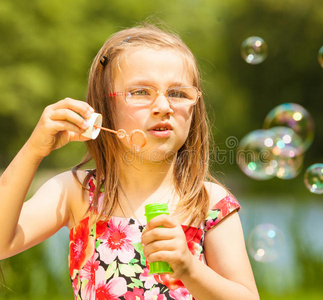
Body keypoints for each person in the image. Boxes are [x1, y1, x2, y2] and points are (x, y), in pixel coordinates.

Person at [0, 22, 259, 300]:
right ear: (104, 107)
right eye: (140, 92)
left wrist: (190, 269)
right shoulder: (78, 192)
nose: (163, 106)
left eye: (178, 93)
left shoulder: (207, 203)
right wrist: (33, 151)